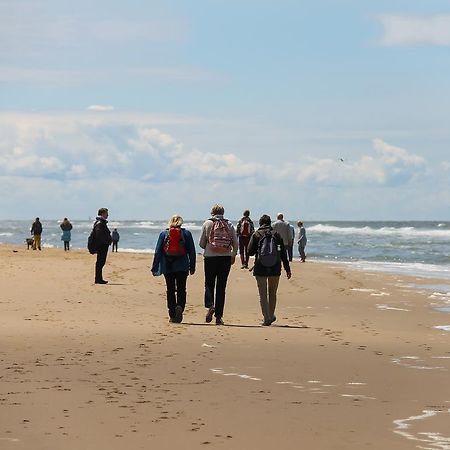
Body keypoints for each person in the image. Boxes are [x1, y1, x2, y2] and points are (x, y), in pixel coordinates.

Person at [151, 215, 196, 323]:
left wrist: (155, 267)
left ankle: (172, 314)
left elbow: (158, 251)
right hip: (182, 265)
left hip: (168, 266)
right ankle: (180, 306)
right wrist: (192, 266)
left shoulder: (163, 234)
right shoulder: (186, 234)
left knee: (170, 290)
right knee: (181, 289)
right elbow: (192, 252)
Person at [248, 215, 291, 326]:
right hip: (275, 268)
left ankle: (266, 317)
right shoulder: (276, 235)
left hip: (260, 267)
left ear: (260, 223)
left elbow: (249, 252)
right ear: (270, 223)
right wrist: (287, 269)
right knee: (272, 293)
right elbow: (283, 254)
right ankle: (271, 315)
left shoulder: (257, 234)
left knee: (263, 294)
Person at [199, 204, 238, 325]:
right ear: (223, 212)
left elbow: (201, 243)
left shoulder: (207, 224)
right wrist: (233, 255)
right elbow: (235, 242)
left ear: (212, 212)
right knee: (221, 287)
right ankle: (218, 317)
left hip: (210, 258)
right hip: (225, 259)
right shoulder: (229, 224)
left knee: (209, 284)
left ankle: (210, 305)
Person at [92, 208, 112, 284]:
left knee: (100, 262)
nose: (107, 215)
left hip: (102, 245)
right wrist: (105, 241)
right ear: (102, 213)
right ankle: (98, 279)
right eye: (106, 213)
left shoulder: (100, 222)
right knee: (100, 262)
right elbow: (99, 234)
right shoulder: (100, 223)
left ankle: (99, 278)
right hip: (102, 246)